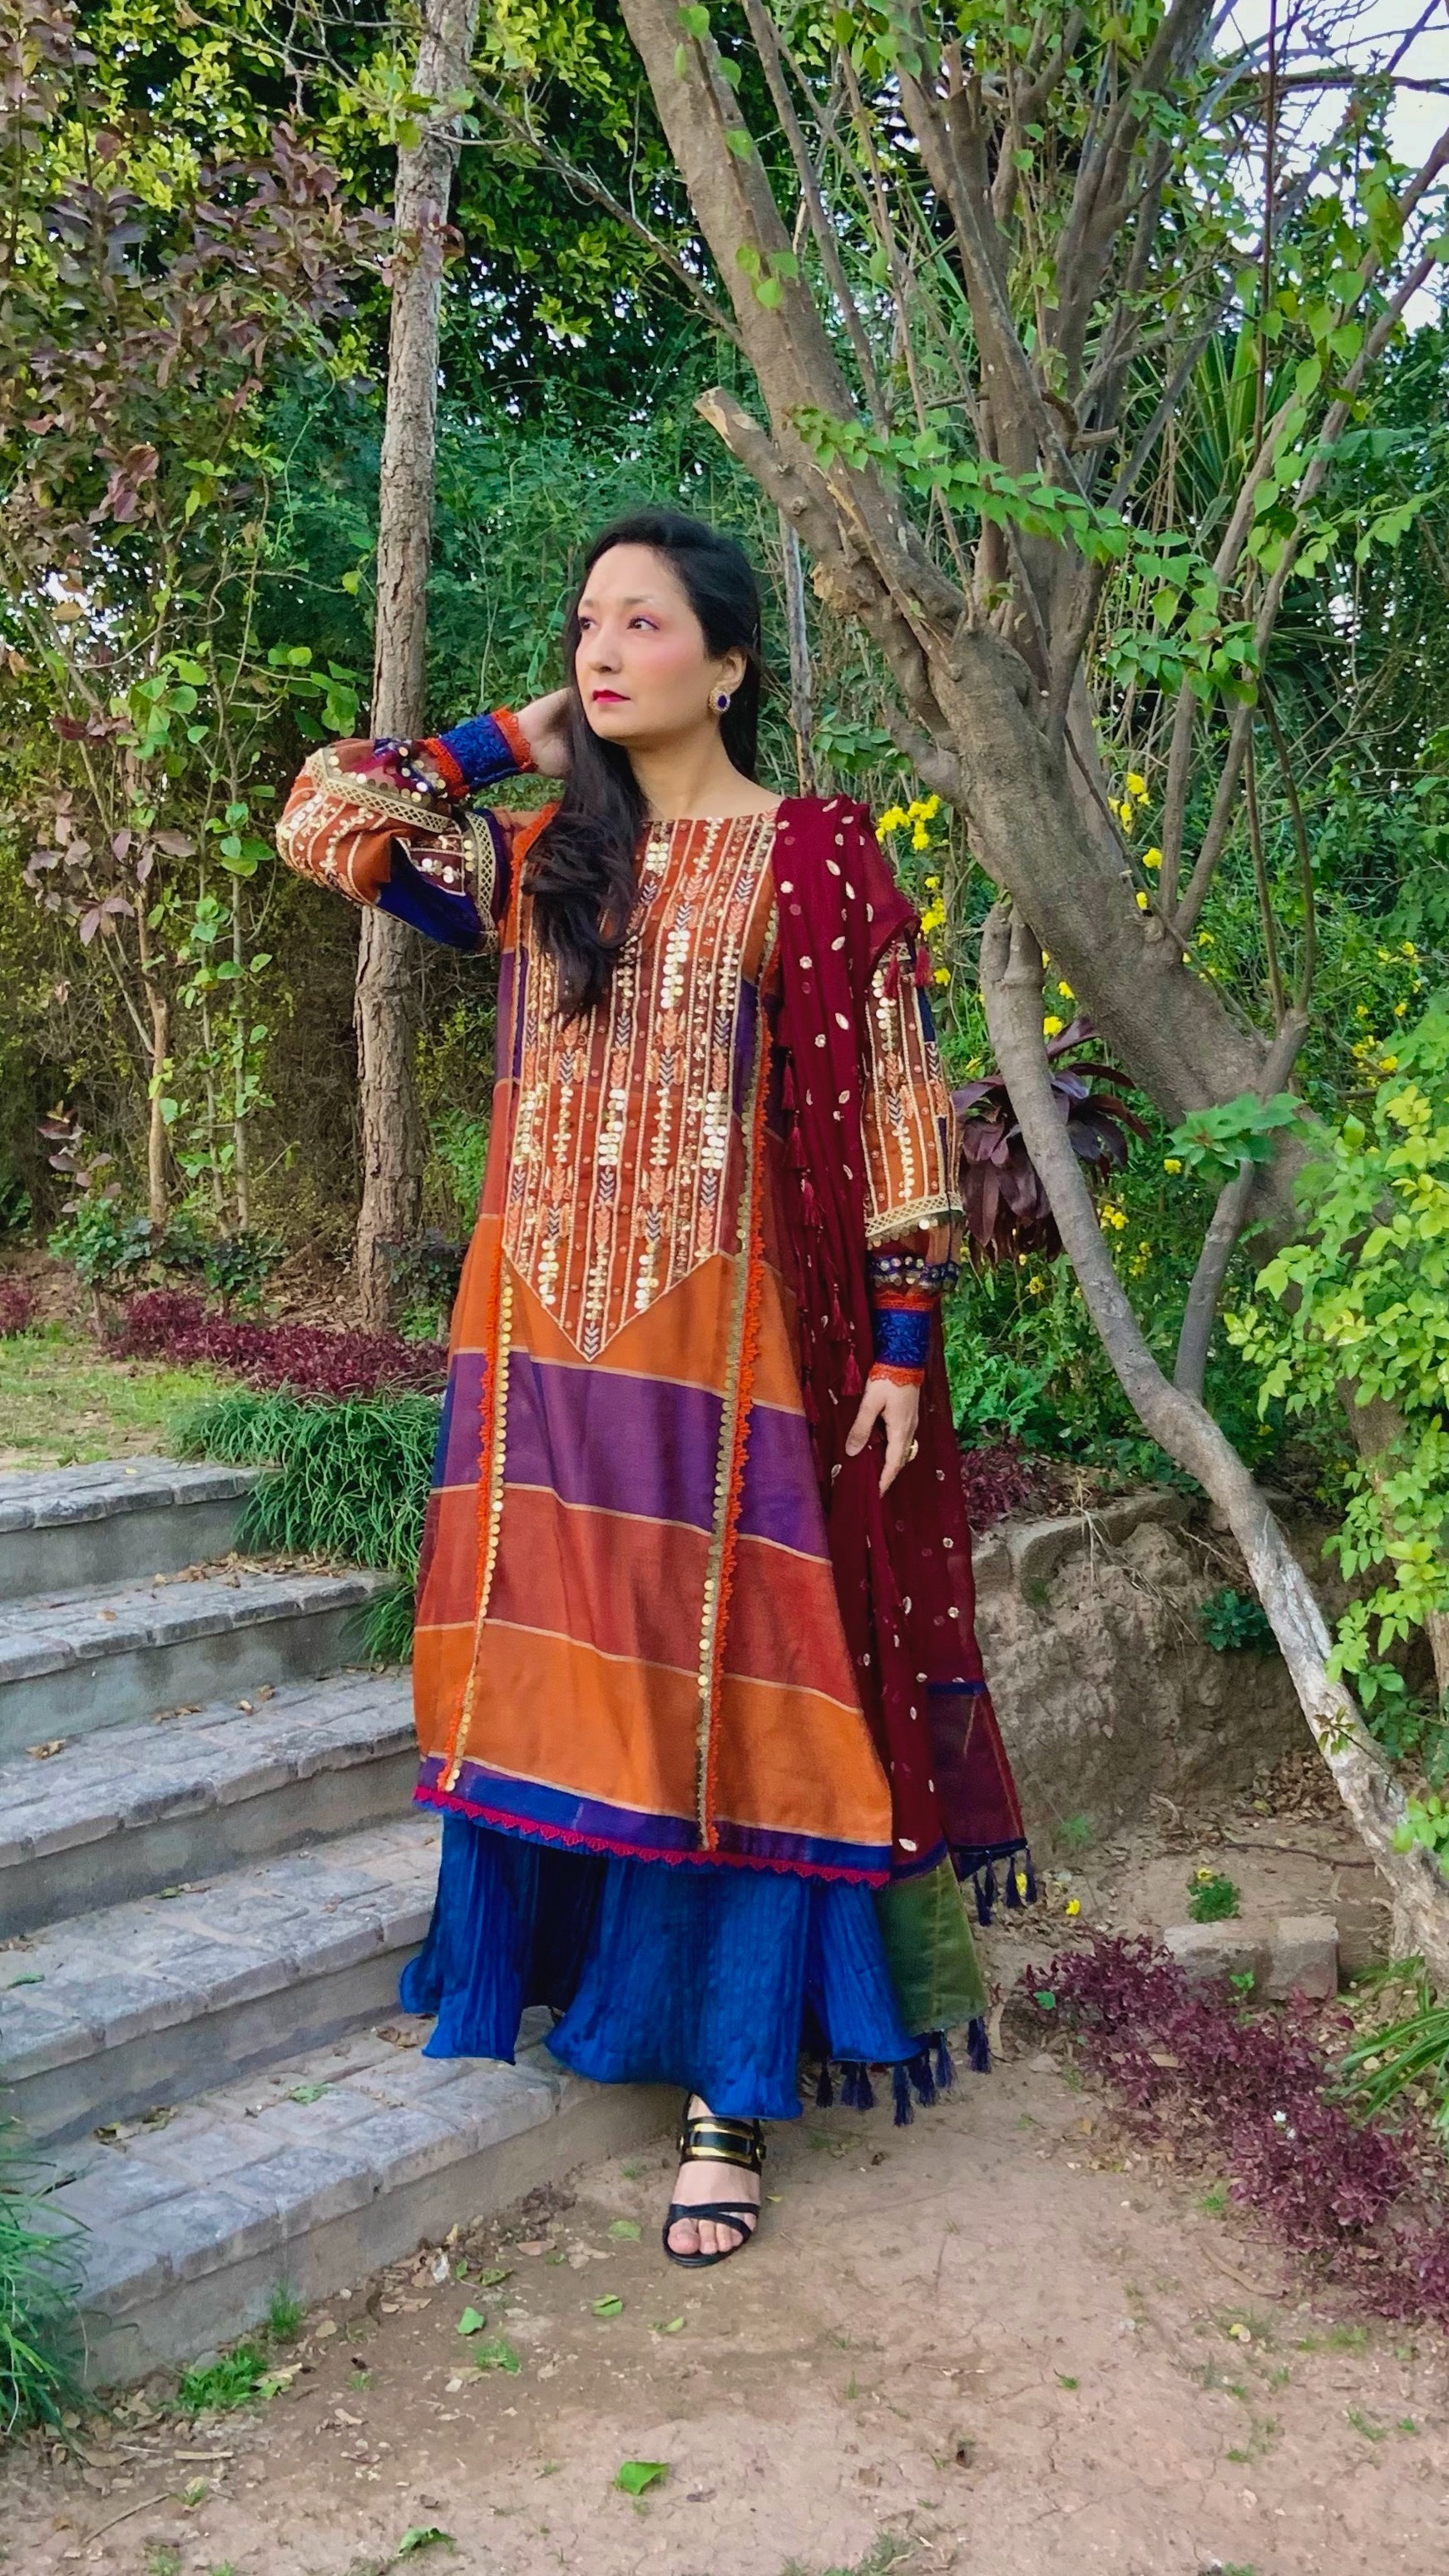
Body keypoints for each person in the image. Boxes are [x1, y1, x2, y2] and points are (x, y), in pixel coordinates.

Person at [278, 508, 1030, 2267]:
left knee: (745, 1697)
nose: (605, 649)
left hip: (733, 1348)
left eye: (642, 624)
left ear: (733, 660)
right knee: (565, 1683)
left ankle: (728, 2099)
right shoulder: (542, 855)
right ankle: (574, 1986)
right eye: (585, 623)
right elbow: (326, 818)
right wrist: (505, 739)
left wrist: (906, 1344)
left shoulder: (816, 858)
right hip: (538, 1338)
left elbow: (899, 1101)